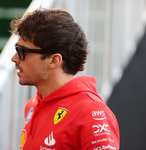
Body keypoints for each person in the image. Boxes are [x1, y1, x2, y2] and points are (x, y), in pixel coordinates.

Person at [10, 8, 119, 150]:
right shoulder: (32, 105)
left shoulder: (91, 113)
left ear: (54, 60)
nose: (14, 58)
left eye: (23, 51)